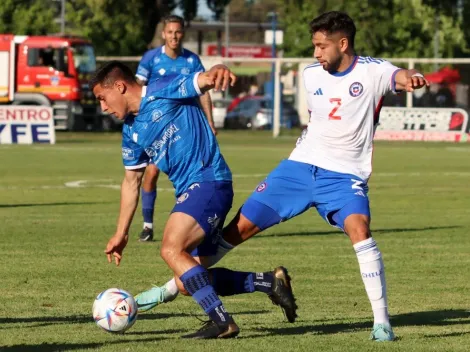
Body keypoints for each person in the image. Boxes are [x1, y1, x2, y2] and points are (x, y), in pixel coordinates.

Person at [135, 11, 429, 342]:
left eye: (321, 46)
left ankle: (381, 323)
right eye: (314, 46)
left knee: (360, 229)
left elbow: (399, 76)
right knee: (237, 230)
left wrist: (412, 77)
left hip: (343, 176)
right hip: (298, 170)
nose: (316, 54)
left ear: (342, 44)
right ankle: (168, 290)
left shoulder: (372, 71)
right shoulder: (311, 75)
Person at [89, 61, 297, 339]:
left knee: (171, 249)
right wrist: (120, 233)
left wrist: (219, 70)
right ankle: (269, 282)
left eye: (102, 98)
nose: (103, 106)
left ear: (120, 86)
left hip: (208, 182)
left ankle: (223, 322)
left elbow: (203, 81)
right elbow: (131, 182)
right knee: (187, 280)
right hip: (195, 191)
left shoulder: (162, 88)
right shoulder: (131, 131)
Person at [135, 15, 217, 242]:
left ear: (183, 34)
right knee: (151, 174)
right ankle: (148, 225)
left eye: (178, 32)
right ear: (163, 34)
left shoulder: (191, 61)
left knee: (188, 174)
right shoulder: (151, 59)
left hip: (187, 128)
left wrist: (210, 121)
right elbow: (138, 90)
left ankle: (192, 221)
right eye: (170, 32)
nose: (174, 36)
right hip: (159, 127)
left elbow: (204, 90)